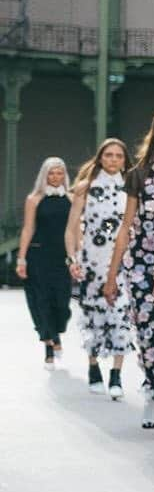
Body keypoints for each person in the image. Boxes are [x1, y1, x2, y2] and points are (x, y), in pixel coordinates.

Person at [105, 110, 154, 441]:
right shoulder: (138, 174)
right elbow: (126, 225)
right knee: (149, 333)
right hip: (140, 264)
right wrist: (111, 275)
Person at [65, 138, 134, 398]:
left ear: (125, 160)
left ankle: (116, 374)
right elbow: (71, 230)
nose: (113, 159)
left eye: (118, 155)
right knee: (92, 315)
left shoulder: (131, 188)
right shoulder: (85, 187)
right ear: (100, 158)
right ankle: (93, 368)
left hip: (122, 264)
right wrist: (73, 260)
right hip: (91, 263)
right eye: (108, 155)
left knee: (120, 316)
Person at [16, 157, 72, 369]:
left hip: (61, 257)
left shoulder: (71, 197)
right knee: (42, 300)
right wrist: (21, 258)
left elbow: (75, 229)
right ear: (44, 175)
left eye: (59, 173)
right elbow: (28, 228)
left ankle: (55, 333)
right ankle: (49, 344)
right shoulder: (34, 199)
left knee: (62, 303)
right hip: (38, 255)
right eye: (51, 173)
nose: (55, 177)